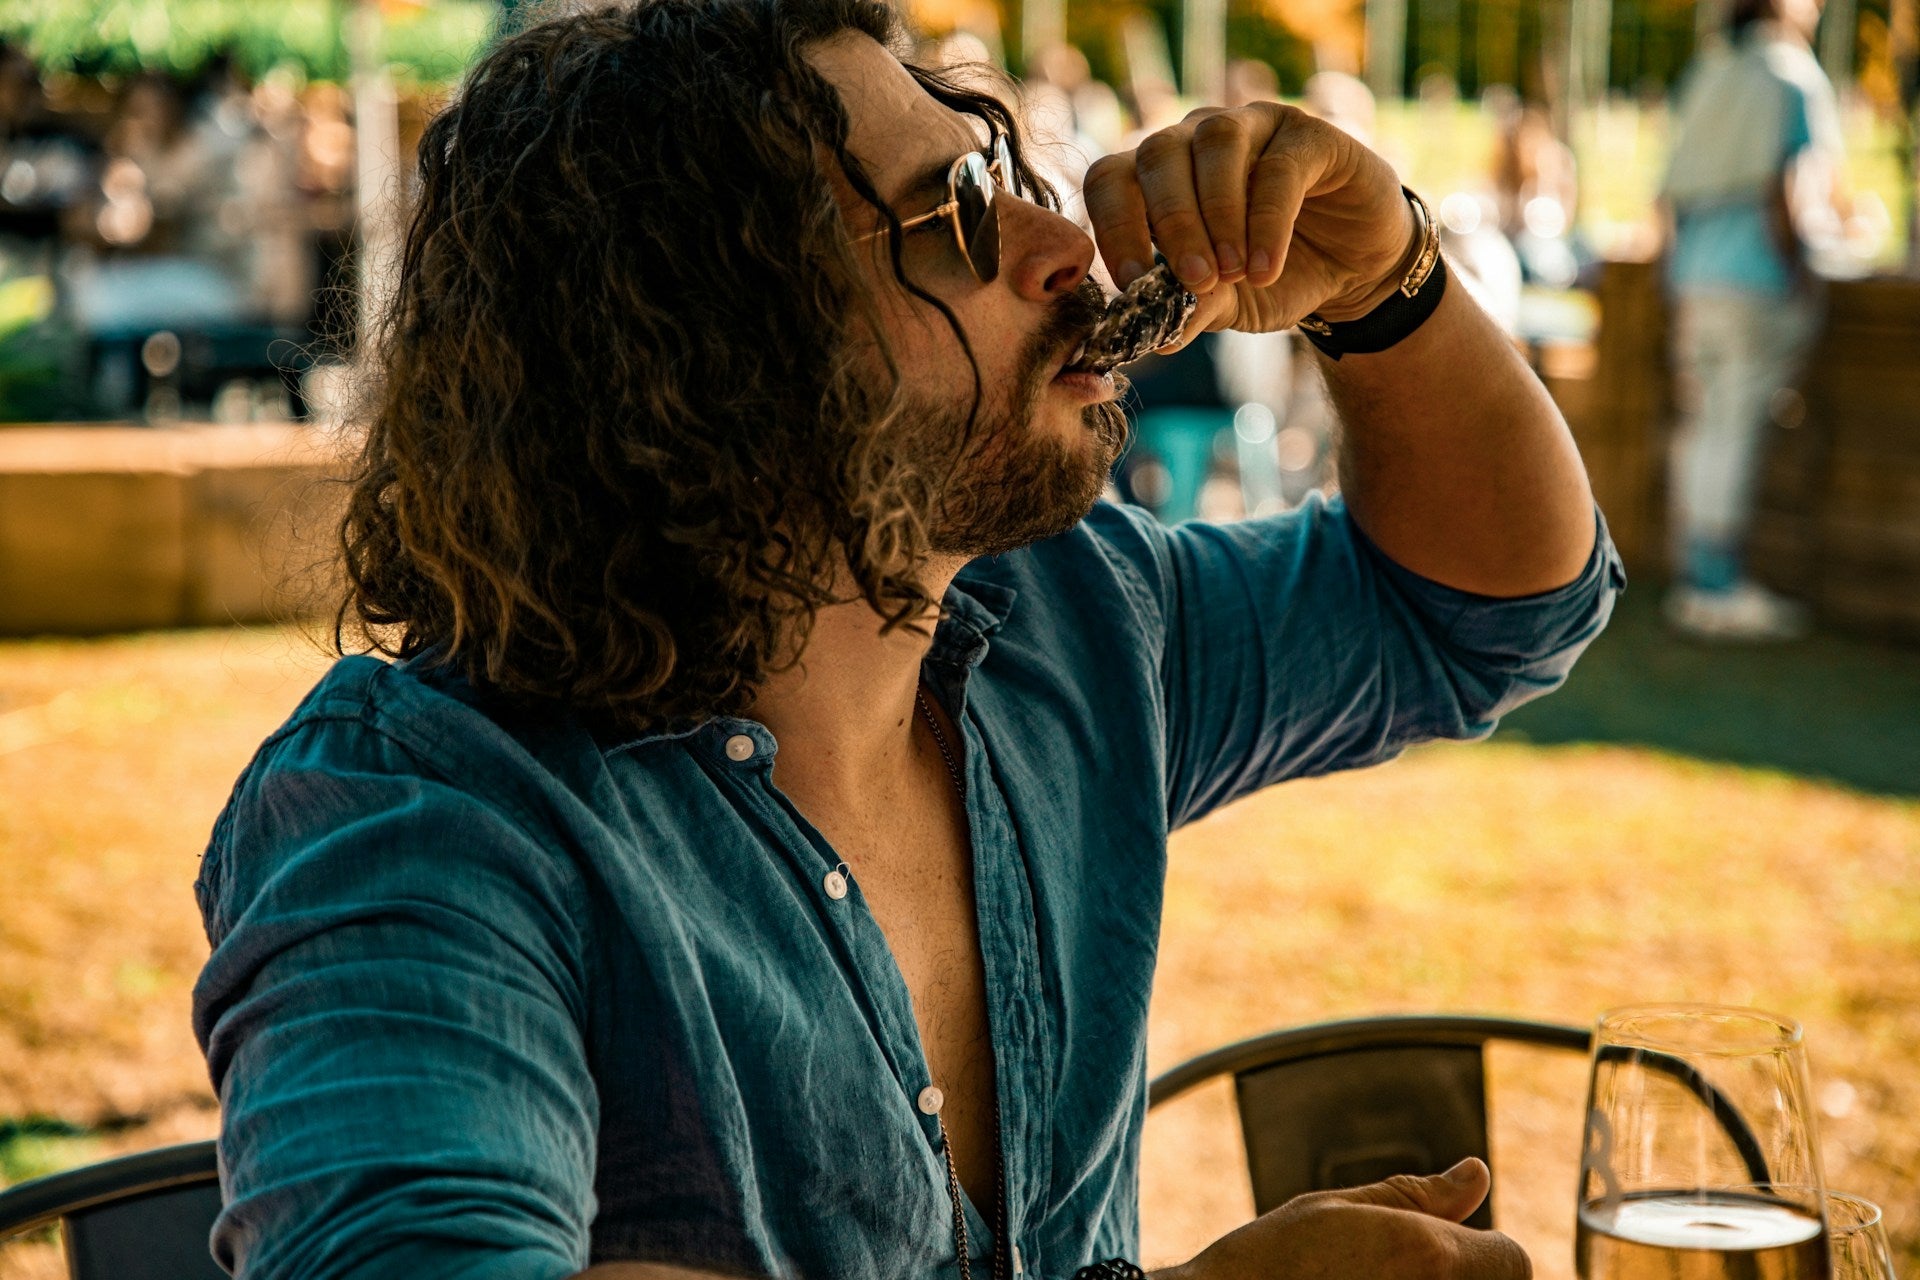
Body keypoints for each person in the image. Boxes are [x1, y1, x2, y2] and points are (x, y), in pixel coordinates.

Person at [190, 0, 1619, 1277]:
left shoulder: (1058, 620)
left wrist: (1391, 289)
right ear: (704, 345)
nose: (1068, 245)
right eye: (954, 217)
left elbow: (1482, 611)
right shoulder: (421, 815)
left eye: (1003, 178)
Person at [1659, 0, 1842, 640]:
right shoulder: (1791, 76)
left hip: (1695, 280)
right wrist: (1802, 274)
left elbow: (1670, 194)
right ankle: (1717, 584)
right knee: (1734, 428)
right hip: (1756, 280)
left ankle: (1695, 577)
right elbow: (1788, 186)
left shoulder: (1710, 71)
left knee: (1702, 426)